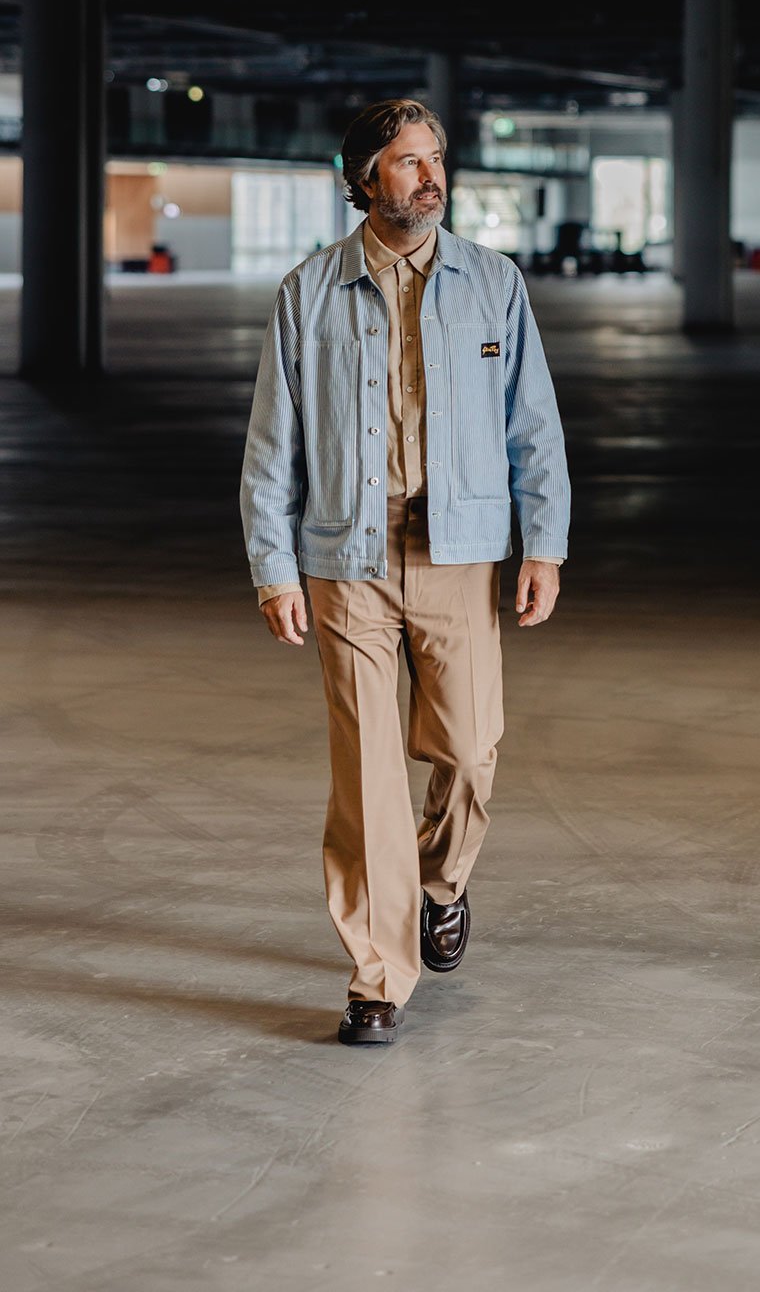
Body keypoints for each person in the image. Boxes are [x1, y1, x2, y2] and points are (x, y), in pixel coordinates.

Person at [240, 98, 570, 1046]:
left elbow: (533, 427)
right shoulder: (309, 293)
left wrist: (543, 543)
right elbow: (273, 449)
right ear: (363, 180)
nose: (431, 178)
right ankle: (379, 974)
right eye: (407, 163)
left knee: (468, 750)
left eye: (435, 160)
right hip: (347, 557)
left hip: (458, 552)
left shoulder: (492, 284)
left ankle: (440, 884)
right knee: (367, 776)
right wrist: (274, 569)